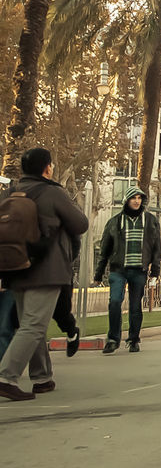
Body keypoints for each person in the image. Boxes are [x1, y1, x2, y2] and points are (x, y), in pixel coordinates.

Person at [0, 149, 90, 402]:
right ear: (47, 168)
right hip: (47, 269)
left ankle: (41, 378)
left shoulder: (9, 193)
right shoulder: (52, 192)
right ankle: (6, 377)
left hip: (15, 266)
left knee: (28, 323)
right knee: (33, 325)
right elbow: (80, 224)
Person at [94, 187, 161, 354]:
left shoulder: (150, 221)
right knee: (115, 302)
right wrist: (99, 273)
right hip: (118, 270)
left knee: (135, 306)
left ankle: (133, 340)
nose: (137, 201)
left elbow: (156, 248)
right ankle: (112, 339)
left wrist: (155, 272)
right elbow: (105, 249)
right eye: (133, 198)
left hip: (139, 270)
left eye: (139, 198)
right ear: (126, 200)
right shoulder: (115, 222)